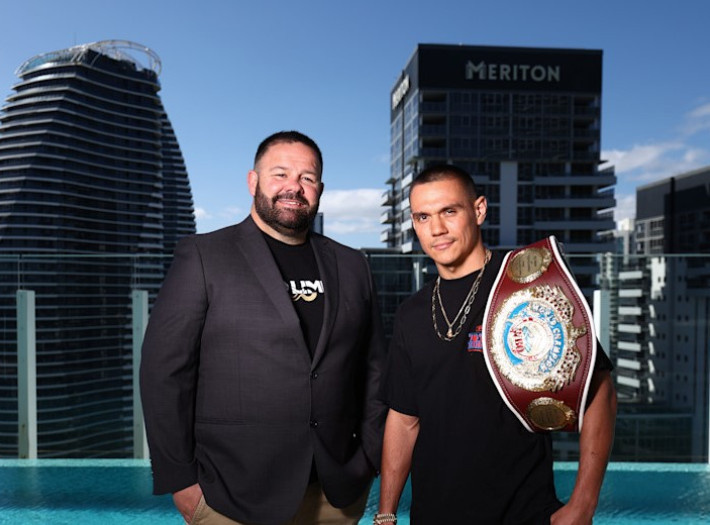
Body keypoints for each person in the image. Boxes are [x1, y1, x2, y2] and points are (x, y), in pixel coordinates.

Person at [140, 131, 387, 525]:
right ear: (253, 181)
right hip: (231, 496)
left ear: (320, 190)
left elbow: (375, 369)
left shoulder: (352, 264)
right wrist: (181, 481)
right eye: (280, 174)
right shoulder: (204, 256)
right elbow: (164, 372)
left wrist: (369, 456)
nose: (294, 187)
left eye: (307, 178)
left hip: (336, 496)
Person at [375, 165, 617, 525]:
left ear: (479, 210)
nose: (436, 229)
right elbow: (404, 419)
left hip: (523, 514)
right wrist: (385, 514)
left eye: (449, 211)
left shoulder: (526, 283)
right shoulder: (411, 313)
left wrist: (583, 504)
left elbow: (600, 392)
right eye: (423, 217)